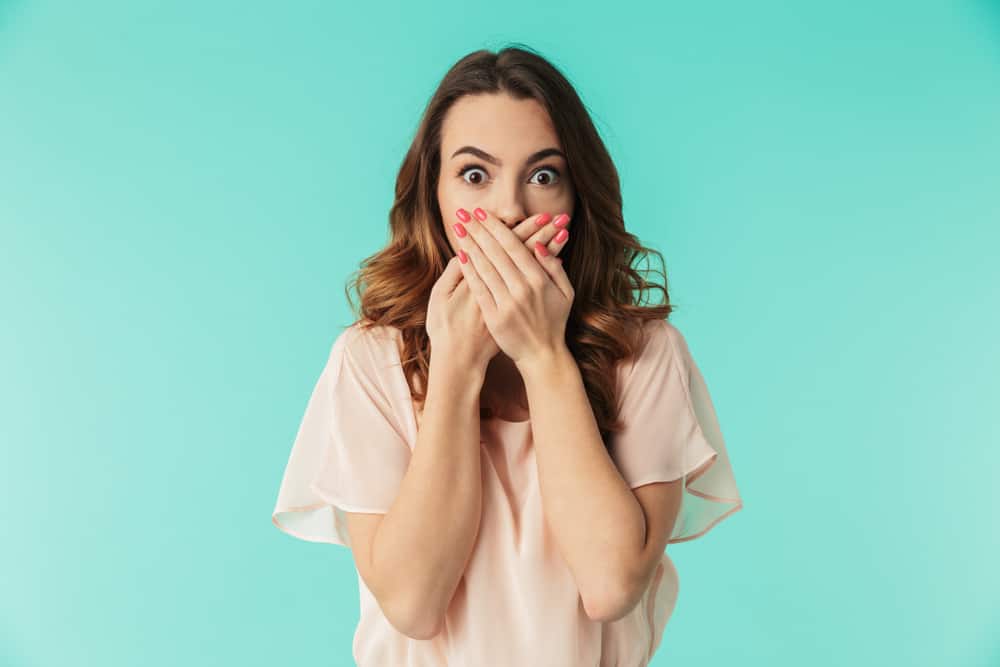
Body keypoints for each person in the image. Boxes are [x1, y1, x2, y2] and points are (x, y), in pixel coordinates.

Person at [271, 44, 743, 666]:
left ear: (577, 195)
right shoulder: (369, 360)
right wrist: (458, 368)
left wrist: (545, 355)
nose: (511, 210)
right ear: (433, 196)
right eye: (474, 175)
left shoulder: (645, 355)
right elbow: (413, 605)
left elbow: (612, 586)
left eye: (543, 176)